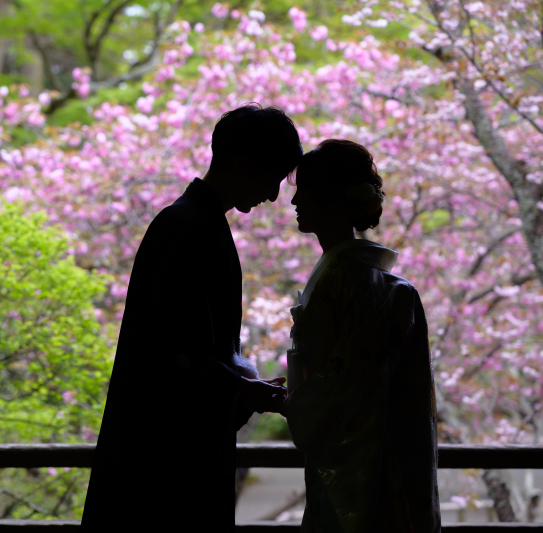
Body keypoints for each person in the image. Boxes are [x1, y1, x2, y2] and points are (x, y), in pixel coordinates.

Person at [81, 104, 303, 531]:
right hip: (167, 461)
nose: (275, 195)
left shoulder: (189, 222)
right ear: (243, 163)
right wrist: (242, 388)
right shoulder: (189, 229)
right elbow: (173, 354)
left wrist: (241, 387)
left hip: (166, 453)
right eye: (273, 177)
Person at [282, 139, 441, 532]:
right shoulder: (377, 286)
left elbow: (343, 398)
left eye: (306, 189)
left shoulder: (364, 287)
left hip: (370, 478)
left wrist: (294, 400)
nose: (294, 200)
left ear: (334, 198)